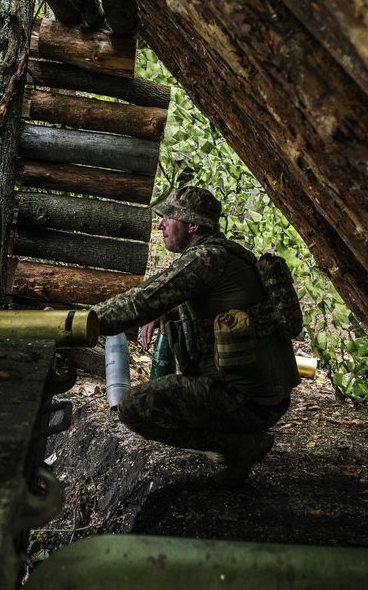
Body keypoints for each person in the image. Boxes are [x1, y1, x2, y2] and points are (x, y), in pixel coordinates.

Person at [91, 186, 299, 486]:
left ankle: (240, 445)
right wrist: (169, 310)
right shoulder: (227, 256)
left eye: (169, 217)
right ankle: (239, 441)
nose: (161, 224)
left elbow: (139, 302)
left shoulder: (206, 258)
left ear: (193, 225)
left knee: (132, 407)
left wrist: (79, 323)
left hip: (245, 403)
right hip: (265, 400)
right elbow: (198, 305)